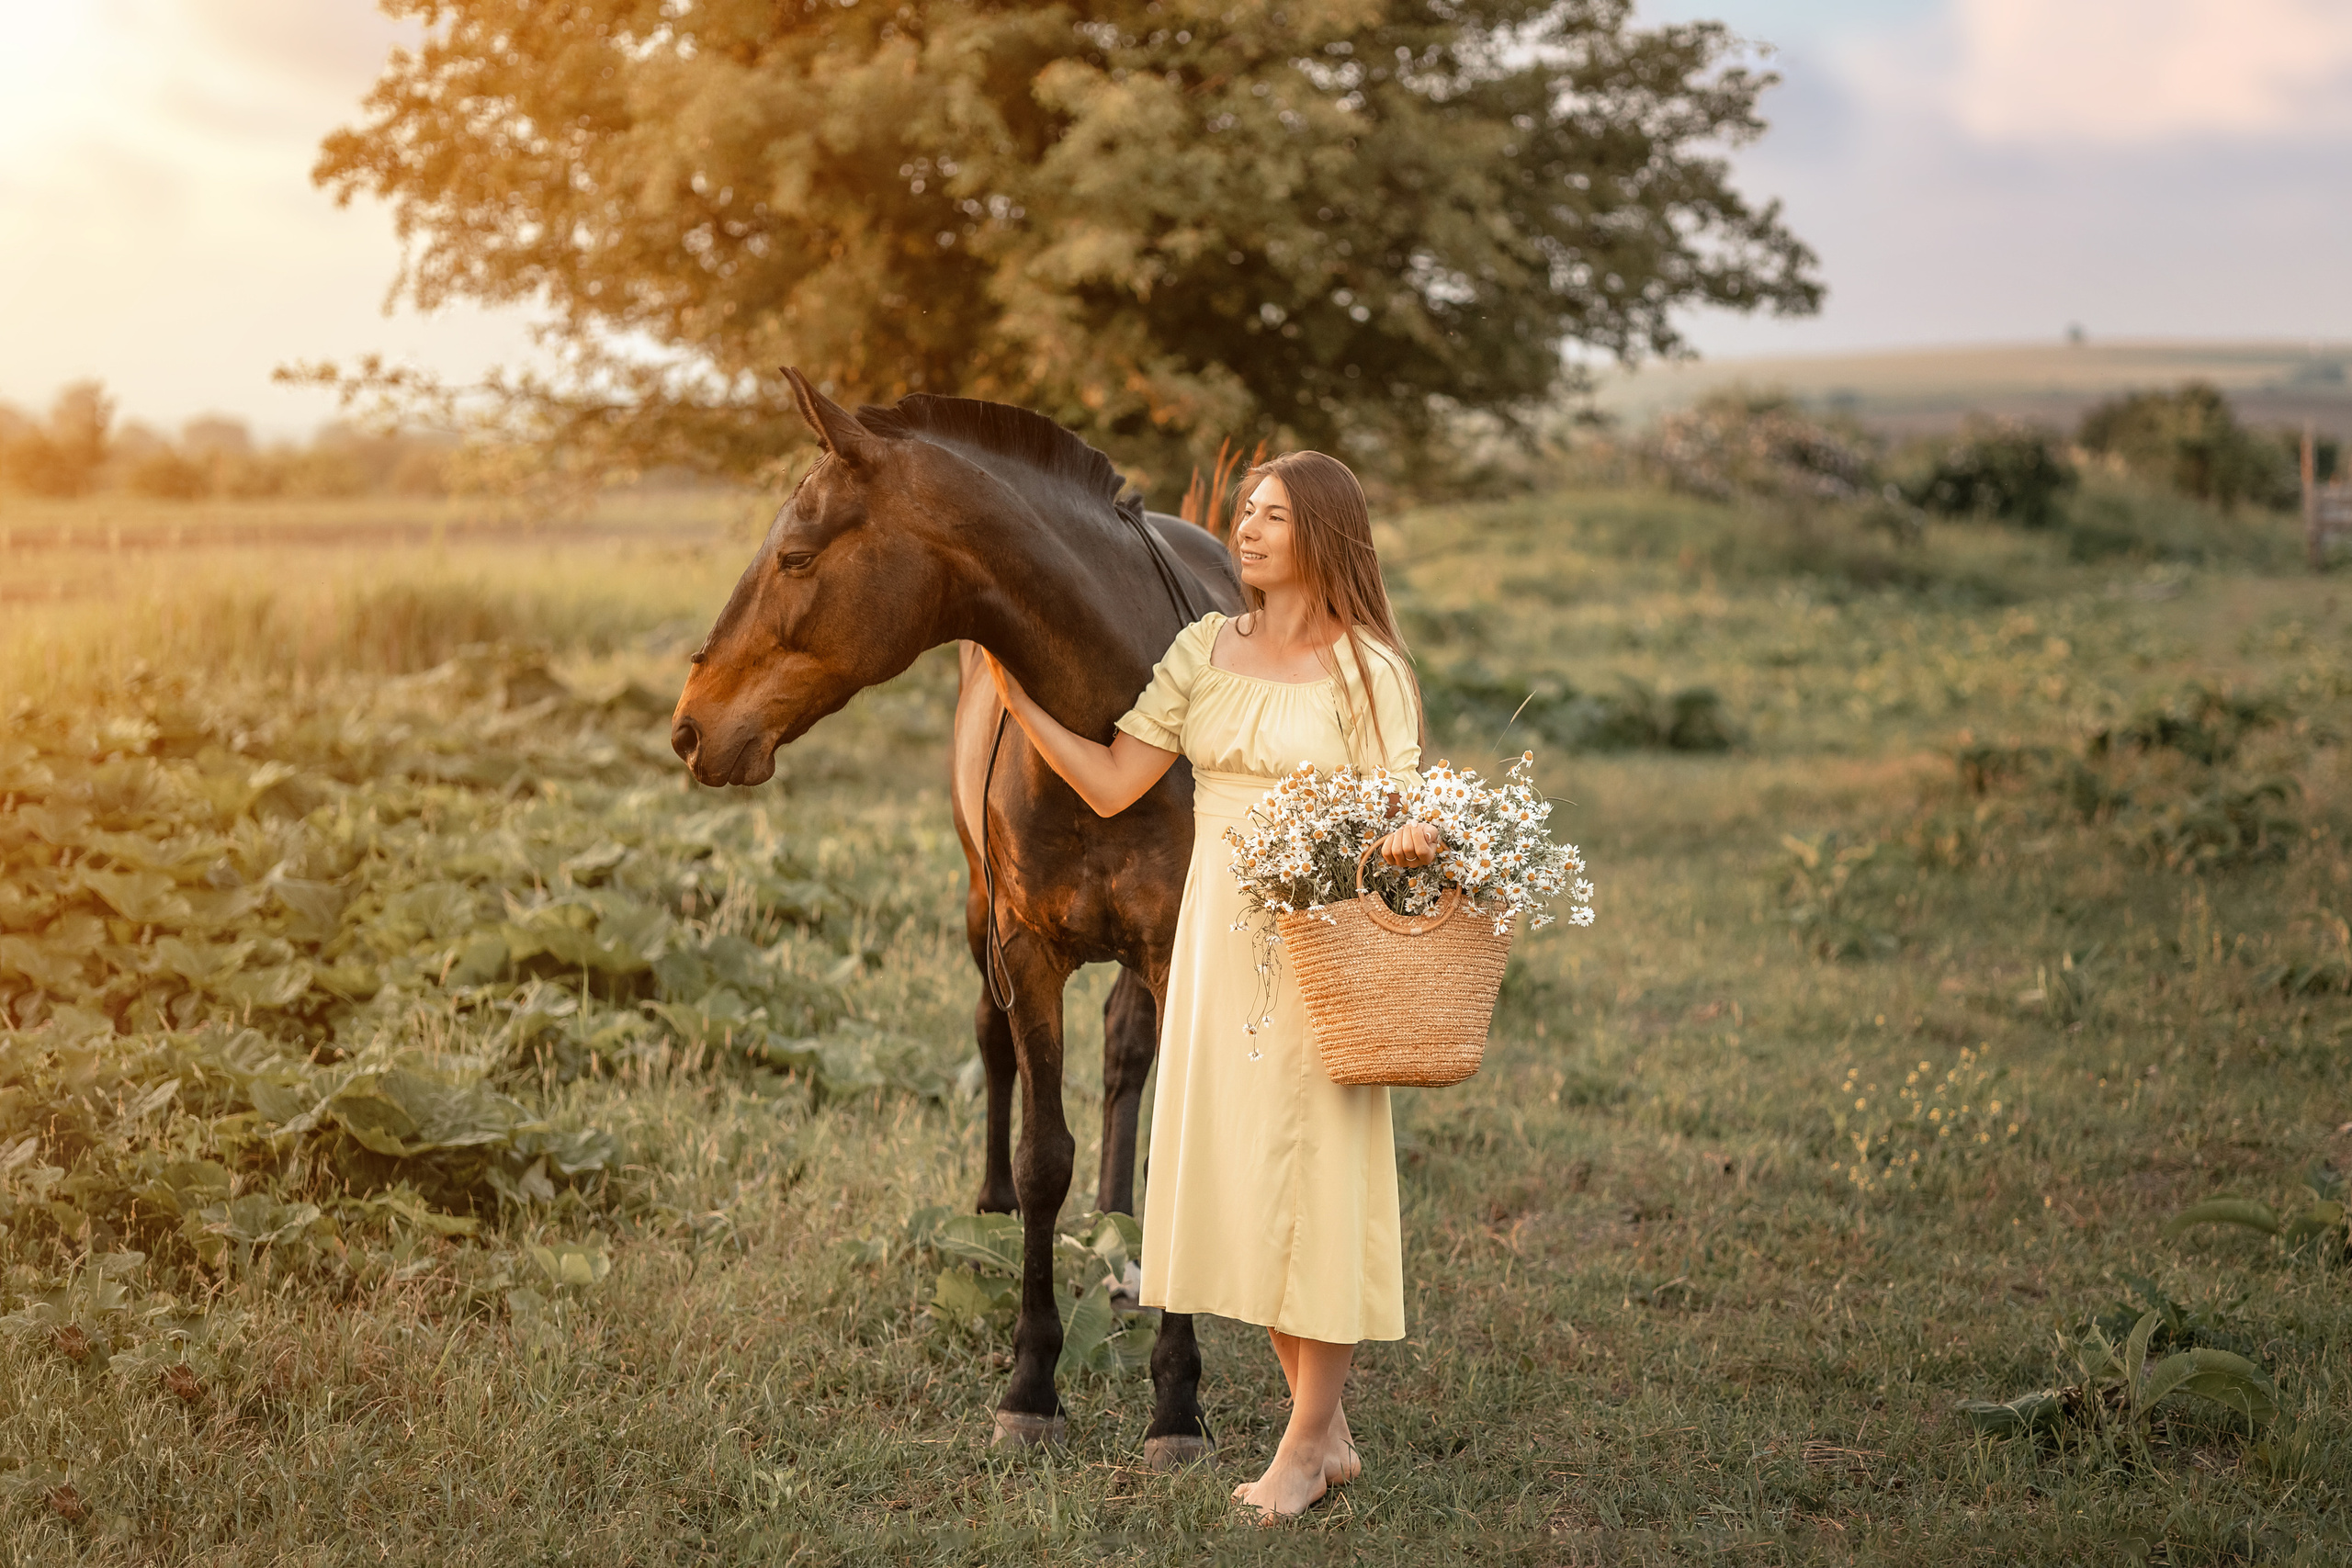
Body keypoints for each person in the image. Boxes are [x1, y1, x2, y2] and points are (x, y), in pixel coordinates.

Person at [982, 450, 1435, 1520]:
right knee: (1244, 1182)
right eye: (1246, 513)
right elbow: (1112, 780)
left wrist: (1410, 835)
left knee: (1314, 1182)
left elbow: (1400, 803)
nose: (1249, 530)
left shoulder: (1369, 668)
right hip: (1212, 944)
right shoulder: (1202, 648)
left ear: (1324, 534)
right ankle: (1325, 1433)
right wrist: (1024, 703)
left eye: (1275, 517)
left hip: (1317, 938)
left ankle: (1301, 1450)